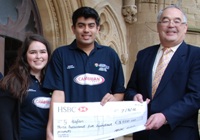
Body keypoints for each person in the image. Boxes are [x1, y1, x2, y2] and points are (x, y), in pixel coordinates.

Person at [43, 6, 125, 139]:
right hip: (71, 130)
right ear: (73, 29)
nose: (86, 30)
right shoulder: (61, 54)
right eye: (81, 25)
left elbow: (120, 91)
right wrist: (50, 128)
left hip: (103, 130)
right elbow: (58, 94)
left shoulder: (110, 55)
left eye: (91, 26)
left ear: (98, 29)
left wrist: (114, 99)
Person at [124, 4, 200, 140]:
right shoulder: (144, 55)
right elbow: (130, 89)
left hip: (178, 134)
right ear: (158, 26)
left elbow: (196, 96)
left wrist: (165, 116)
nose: (171, 25)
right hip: (143, 132)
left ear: (185, 27)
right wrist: (134, 97)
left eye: (177, 21)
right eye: (165, 21)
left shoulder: (195, 55)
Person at [0, 33, 52, 140]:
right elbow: (4, 120)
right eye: (33, 52)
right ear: (25, 55)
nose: (38, 56)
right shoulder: (12, 82)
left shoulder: (54, 82)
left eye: (43, 52)